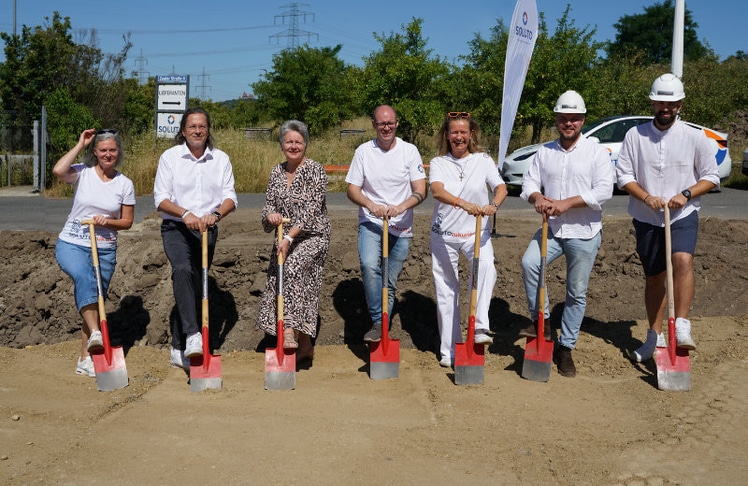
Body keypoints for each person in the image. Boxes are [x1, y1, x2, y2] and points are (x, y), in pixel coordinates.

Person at [616, 73, 720, 362]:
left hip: (682, 214)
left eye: (671, 103)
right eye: (661, 102)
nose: (666, 107)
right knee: (655, 278)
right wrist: (646, 197)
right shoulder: (635, 135)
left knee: (683, 260)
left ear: (680, 105)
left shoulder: (694, 137)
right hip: (647, 217)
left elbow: (711, 176)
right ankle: (655, 336)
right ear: (652, 103)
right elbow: (624, 175)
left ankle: (682, 326)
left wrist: (686, 194)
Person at [519, 91, 614, 378]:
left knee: (576, 292)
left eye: (574, 118)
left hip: (584, 233)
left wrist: (566, 203)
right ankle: (544, 322)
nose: (568, 123)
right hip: (552, 229)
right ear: (557, 120)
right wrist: (537, 197)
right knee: (530, 264)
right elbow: (529, 183)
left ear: (582, 120)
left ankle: (566, 348)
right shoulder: (545, 152)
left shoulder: (596, 153)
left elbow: (604, 191)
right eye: (563, 118)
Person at [154, 107, 237, 371]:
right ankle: (193, 335)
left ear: (208, 130)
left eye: (202, 126)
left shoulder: (220, 159)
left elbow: (230, 197)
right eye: (192, 126)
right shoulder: (170, 158)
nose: (197, 131)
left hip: (206, 230)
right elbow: (161, 199)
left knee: (193, 284)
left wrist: (216, 214)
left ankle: (178, 348)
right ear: (183, 130)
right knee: (182, 270)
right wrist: (185, 213)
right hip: (176, 227)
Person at [53, 128, 135, 377]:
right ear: (95, 152)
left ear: (118, 152)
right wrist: (80, 144)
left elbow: (127, 222)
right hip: (72, 243)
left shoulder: (124, 184)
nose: (108, 154)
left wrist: (107, 222)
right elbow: (58, 171)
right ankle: (97, 332)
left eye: (112, 150)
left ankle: (85, 359)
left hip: (105, 249)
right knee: (84, 277)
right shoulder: (82, 173)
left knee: (94, 300)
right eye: (103, 150)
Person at [429, 112, 507, 367]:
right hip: (444, 235)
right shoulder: (439, 162)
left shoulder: (482, 160)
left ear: (471, 134)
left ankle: (480, 326)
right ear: (447, 135)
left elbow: (501, 187)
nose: (459, 137)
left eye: (463, 132)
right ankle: (449, 350)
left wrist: (494, 205)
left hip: (476, 233)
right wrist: (463, 204)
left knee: (486, 268)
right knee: (447, 290)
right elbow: (437, 191)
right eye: (454, 132)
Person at [345, 105, 427, 343]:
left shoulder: (409, 151)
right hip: (371, 222)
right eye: (382, 123)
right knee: (370, 265)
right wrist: (370, 205)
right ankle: (377, 321)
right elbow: (352, 189)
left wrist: (402, 206)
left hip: (401, 226)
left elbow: (421, 190)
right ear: (374, 125)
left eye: (390, 123)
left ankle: (381, 327)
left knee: (389, 282)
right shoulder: (363, 152)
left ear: (397, 123)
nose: (386, 127)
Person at [256, 120, 330, 362]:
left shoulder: (315, 170)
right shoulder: (276, 172)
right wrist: (271, 215)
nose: (294, 146)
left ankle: (288, 330)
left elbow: (311, 211)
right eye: (289, 141)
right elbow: (269, 205)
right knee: (302, 285)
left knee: (292, 267)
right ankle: (306, 346)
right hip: (284, 237)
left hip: (313, 236)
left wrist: (289, 237)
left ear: (305, 144)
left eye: (299, 142)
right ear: (281, 145)